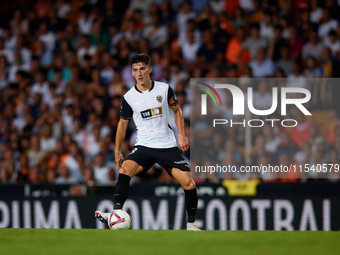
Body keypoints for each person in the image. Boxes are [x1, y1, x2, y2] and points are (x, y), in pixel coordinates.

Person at [95, 53, 200, 231]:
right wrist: (117, 151)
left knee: (189, 183)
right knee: (125, 170)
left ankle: (190, 225)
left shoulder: (164, 89)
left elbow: (177, 111)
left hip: (167, 145)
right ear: (132, 73)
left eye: (142, 68)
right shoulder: (128, 97)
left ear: (149, 70)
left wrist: (182, 135)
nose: (139, 73)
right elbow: (122, 124)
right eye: (135, 70)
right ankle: (115, 212)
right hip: (143, 145)